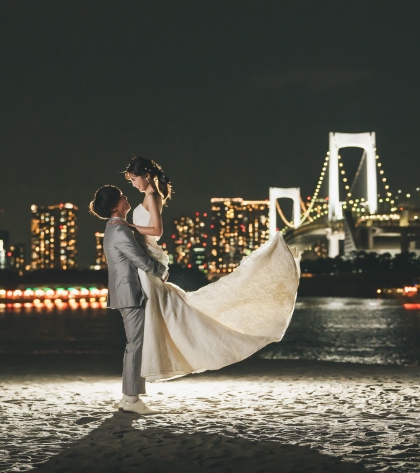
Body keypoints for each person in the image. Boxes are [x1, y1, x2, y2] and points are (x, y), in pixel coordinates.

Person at [122, 156, 299, 384]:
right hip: (147, 256)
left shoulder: (152, 196)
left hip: (149, 256)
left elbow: (157, 230)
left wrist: (129, 227)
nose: (134, 184)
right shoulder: (149, 196)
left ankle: (169, 359)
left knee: (167, 310)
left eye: (134, 179)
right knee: (165, 310)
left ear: (145, 175)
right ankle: (152, 364)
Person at [89, 185, 167, 415]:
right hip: (130, 292)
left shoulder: (114, 229)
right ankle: (132, 399)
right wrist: (161, 270)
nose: (126, 197)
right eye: (122, 197)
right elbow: (139, 259)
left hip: (124, 291)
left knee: (133, 344)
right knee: (135, 345)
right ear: (115, 206)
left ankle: (127, 397)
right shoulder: (120, 231)